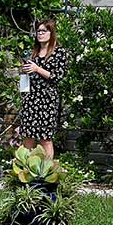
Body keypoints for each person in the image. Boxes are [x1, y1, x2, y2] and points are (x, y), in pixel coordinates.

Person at [19, 19, 69, 159]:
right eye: (38, 31)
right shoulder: (32, 52)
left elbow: (57, 77)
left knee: (45, 138)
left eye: (43, 31)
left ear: (51, 33)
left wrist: (37, 68)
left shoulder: (59, 53)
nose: (40, 34)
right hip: (31, 97)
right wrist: (25, 70)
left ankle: (46, 172)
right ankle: (26, 169)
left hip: (47, 99)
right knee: (28, 136)